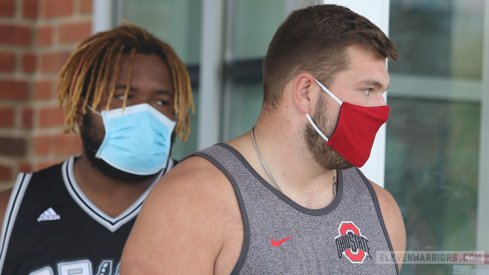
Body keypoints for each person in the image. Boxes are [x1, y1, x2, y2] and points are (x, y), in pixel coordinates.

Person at [121, 4, 405, 274]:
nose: (380, 109)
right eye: (367, 90)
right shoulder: (193, 201)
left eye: (382, 92)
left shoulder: (382, 211)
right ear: (306, 91)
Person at [0, 24, 194, 274]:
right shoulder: (13, 211)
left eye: (161, 101)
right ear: (82, 110)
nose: (144, 113)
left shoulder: (201, 201)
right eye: (122, 97)